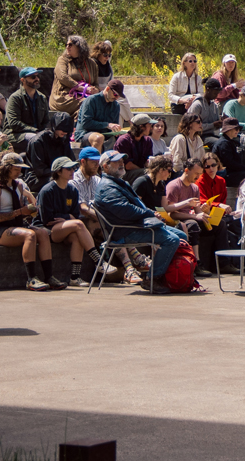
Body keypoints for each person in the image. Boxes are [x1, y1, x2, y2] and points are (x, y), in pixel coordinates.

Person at [92, 149, 184, 288]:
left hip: (136, 225)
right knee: (171, 240)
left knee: (181, 235)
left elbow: (134, 207)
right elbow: (125, 211)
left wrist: (150, 213)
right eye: (117, 162)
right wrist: (150, 214)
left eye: (122, 160)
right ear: (105, 166)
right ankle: (153, 279)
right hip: (124, 231)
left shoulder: (118, 182)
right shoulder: (107, 188)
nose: (122, 164)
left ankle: (172, 276)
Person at [0, 152, 56, 290]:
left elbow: (21, 211)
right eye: (16, 169)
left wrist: (31, 211)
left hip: (14, 225)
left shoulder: (18, 186)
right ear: (6, 167)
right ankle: (31, 279)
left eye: (20, 169)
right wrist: (21, 212)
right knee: (29, 235)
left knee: (42, 233)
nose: (19, 172)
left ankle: (49, 277)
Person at [39, 155, 98, 287]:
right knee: (78, 224)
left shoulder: (72, 190)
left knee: (77, 237)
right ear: (58, 172)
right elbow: (48, 219)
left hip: (64, 228)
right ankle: (98, 260)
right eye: (68, 169)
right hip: (48, 230)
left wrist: (66, 218)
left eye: (73, 168)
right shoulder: (47, 190)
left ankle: (75, 278)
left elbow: (75, 214)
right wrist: (68, 217)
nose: (72, 171)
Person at [50, 35, 95, 116]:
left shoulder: (91, 64)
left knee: (101, 103)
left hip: (84, 96)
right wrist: (80, 88)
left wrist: (95, 90)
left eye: (70, 45)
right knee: (88, 103)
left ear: (79, 46)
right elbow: (62, 77)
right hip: (63, 97)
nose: (67, 47)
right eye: (66, 45)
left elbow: (96, 83)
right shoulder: (63, 60)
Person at [3, 67, 50, 139]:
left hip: (37, 133)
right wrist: (35, 131)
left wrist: (44, 132)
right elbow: (14, 123)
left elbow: (46, 121)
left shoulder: (42, 97)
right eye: (33, 77)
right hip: (16, 135)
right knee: (36, 139)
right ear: (23, 80)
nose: (37, 79)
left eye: (38, 76)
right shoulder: (15, 98)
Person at [211, 117, 245, 200]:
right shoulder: (224, 143)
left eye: (238, 128)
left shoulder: (228, 142)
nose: (238, 131)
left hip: (229, 174)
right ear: (228, 130)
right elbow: (230, 164)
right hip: (224, 176)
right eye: (235, 129)